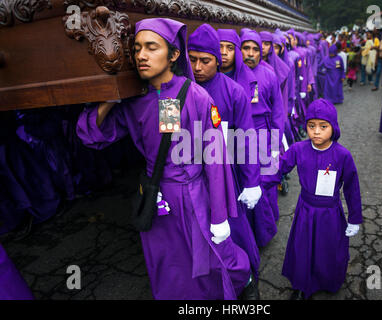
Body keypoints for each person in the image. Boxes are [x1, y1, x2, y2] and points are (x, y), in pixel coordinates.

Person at [76, 18, 251, 300]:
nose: (141, 55)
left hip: (194, 197)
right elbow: (93, 136)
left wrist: (219, 216)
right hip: (157, 196)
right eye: (136, 48)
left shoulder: (196, 97)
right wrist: (112, 96)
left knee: (209, 260)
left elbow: (216, 161)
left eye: (151, 47)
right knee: (168, 264)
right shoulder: (135, 100)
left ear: (173, 55)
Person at [187, 23, 262, 298]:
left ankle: (247, 279)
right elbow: (166, 136)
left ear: (217, 62)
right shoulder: (176, 93)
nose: (197, 67)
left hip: (227, 174)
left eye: (205, 61)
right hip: (191, 176)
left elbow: (246, 140)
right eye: (192, 59)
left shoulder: (234, 92)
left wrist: (252, 181)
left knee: (233, 231)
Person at [279, 98, 363, 300]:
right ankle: (301, 284)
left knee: (328, 248)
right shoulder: (298, 149)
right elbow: (277, 169)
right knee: (303, 247)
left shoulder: (343, 156)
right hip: (306, 210)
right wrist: (255, 183)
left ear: (333, 127)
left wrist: (355, 218)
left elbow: (352, 188)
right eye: (311, 126)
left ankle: (328, 281)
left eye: (323, 126)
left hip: (330, 213)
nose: (316, 131)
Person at [240, 29, 284, 247]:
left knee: (266, 182)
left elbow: (278, 111)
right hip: (239, 138)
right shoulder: (232, 75)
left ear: (261, 53)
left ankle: (267, 228)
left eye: (255, 49)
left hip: (264, 134)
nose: (250, 53)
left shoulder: (269, 75)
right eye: (246, 48)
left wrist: (276, 145)